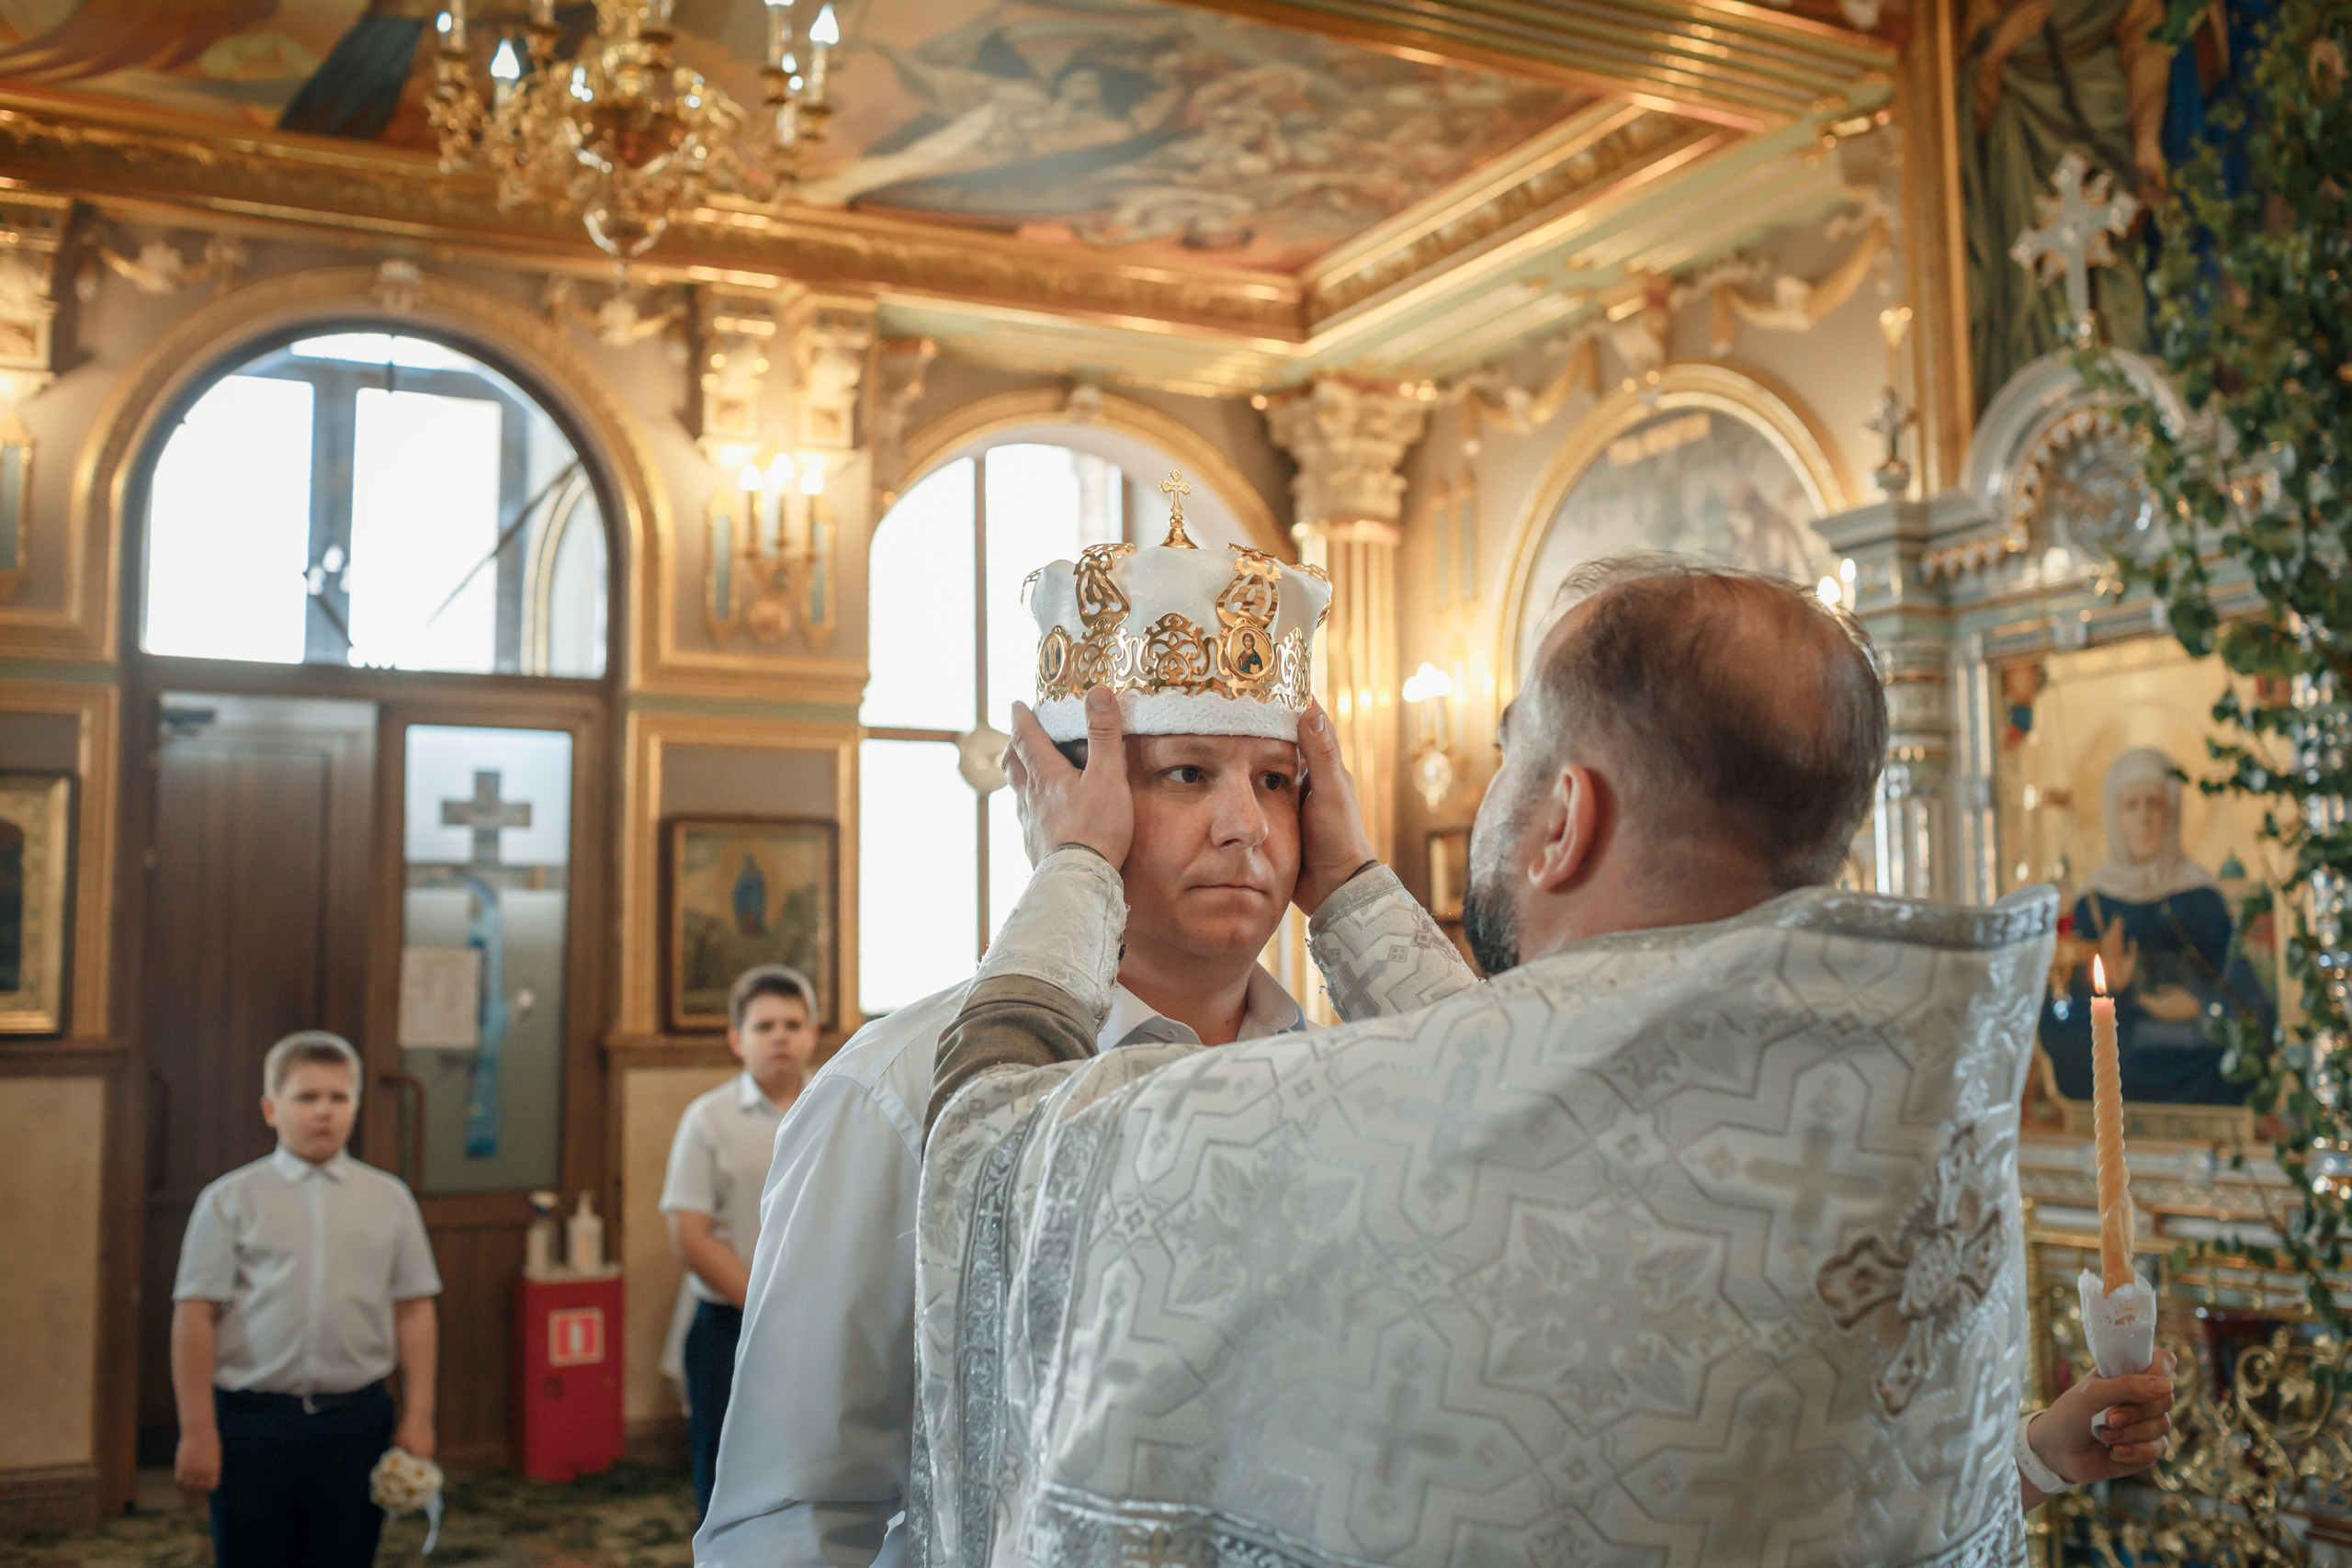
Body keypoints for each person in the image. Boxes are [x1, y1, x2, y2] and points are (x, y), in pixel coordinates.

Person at [918, 555, 2177, 1566]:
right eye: (1185, 774)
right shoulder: (1905, 1128)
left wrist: (1075, 865)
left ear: (1566, 818)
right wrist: (2024, 1453)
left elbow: (992, 1146)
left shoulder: (1297, 1126)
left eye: (1514, 754)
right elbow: (1805, 1479)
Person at [693, 513, 1474, 1568]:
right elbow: (789, 1515)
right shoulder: (892, 1089)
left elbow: (1501, 1113)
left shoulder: (1335, 1068)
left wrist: (1352, 892)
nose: (1245, 826)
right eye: (1187, 774)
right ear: (1055, 795)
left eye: (1276, 781)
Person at [171, 1030, 440, 1568]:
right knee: (252, 1552)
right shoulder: (231, 1200)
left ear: (356, 1107)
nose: (324, 1112)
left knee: (346, 1552)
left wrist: (420, 1413)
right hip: (253, 1422)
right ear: (272, 1109)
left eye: (338, 1098)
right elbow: (195, 1315)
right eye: (307, 1097)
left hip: (355, 1419)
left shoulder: (389, 1200)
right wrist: (197, 1429)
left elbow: (413, 1308)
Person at [661, 964, 821, 1518]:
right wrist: (766, 1307)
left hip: (819, 1321)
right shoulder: (708, 1119)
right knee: (726, 1471)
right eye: (764, 1026)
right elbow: (690, 1236)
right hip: (730, 1325)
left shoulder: (837, 1108)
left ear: (813, 1034)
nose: (780, 1036)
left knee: (813, 1468)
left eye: (793, 1024)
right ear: (736, 1039)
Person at [2040, 745, 2272, 1103]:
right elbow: (2065, 1005)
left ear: (2172, 812)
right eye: (2131, 806)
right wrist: (2107, 988)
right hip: (2120, 1057)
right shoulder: (2094, 901)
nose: (2144, 818)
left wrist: (2200, 1007)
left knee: (2241, 1053)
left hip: (2197, 1058)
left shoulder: (2201, 895)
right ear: (2113, 817)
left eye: (2154, 804)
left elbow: (2247, 995)